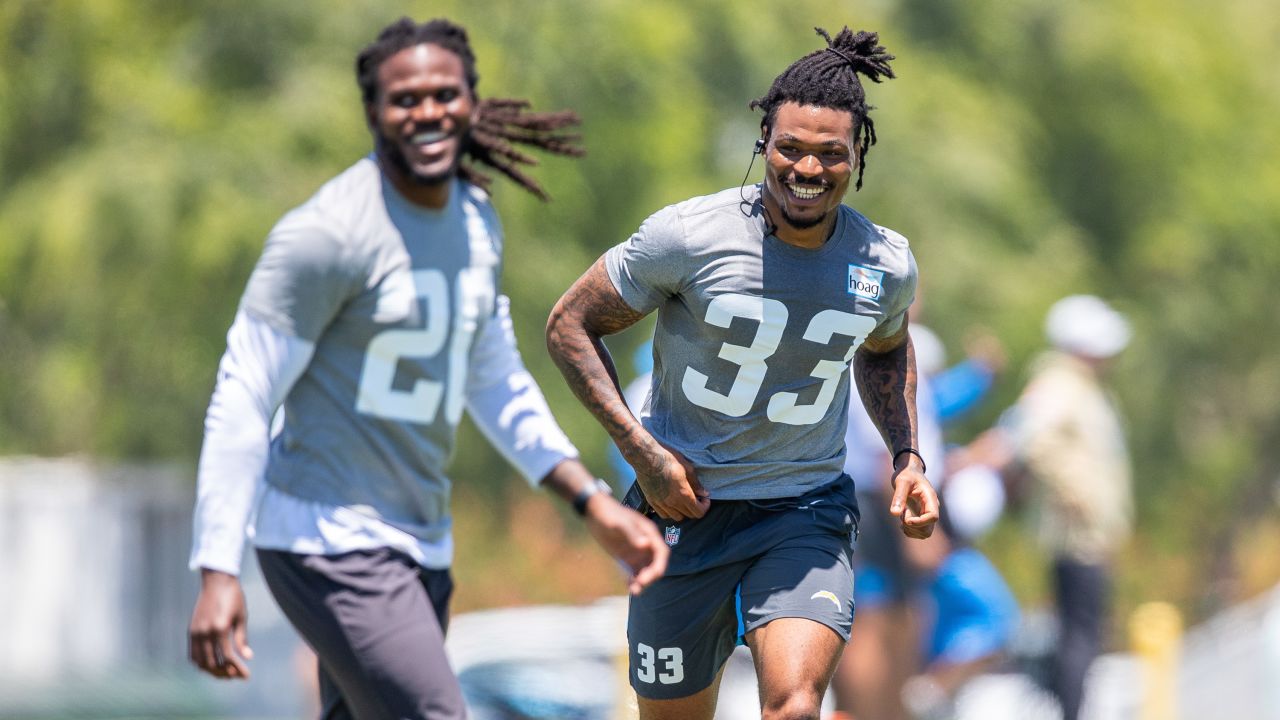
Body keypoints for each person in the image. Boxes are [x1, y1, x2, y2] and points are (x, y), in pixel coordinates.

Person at [186, 17, 668, 720]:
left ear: (471, 101)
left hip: (419, 546)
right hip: (326, 541)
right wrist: (217, 567)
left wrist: (590, 502)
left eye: (444, 93)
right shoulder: (326, 235)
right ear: (373, 112)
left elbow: (495, 378)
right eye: (404, 99)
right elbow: (244, 394)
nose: (427, 112)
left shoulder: (474, 222)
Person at [545, 27, 940, 720]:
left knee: (793, 706)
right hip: (683, 509)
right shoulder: (689, 236)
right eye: (790, 149)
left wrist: (907, 456)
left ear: (857, 156)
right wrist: (642, 452)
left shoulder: (883, 262)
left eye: (830, 154)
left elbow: (887, 347)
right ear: (764, 141)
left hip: (804, 508)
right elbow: (568, 325)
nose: (807, 169)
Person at [970, 294, 1134, 720]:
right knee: (1080, 637)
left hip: (1088, 538)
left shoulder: (1082, 386)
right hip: (1075, 537)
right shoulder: (1061, 382)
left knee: (1084, 635)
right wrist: (1076, 497)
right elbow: (1034, 439)